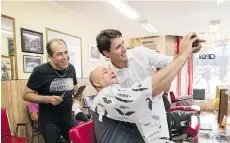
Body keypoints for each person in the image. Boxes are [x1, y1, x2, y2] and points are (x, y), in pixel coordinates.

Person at [95, 29, 203, 142]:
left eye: (123, 43)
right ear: (106, 53)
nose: (124, 49)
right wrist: (184, 54)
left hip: (158, 110)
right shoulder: (111, 77)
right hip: (137, 122)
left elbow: (170, 62)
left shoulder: (140, 53)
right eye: (118, 47)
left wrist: (189, 50)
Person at [89, 65, 195, 143]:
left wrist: (161, 89)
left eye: (109, 69)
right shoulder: (103, 97)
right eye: (105, 72)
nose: (111, 71)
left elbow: (146, 101)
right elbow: (141, 96)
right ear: (96, 82)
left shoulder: (118, 93)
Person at [22, 39, 78, 143]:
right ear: (50, 57)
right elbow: (26, 95)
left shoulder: (71, 68)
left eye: (66, 52)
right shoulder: (40, 71)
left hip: (68, 118)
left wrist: (77, 94)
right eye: (59, 54)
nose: (65, 57)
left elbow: (74, 87)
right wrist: (47, 99)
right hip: (49, 122)